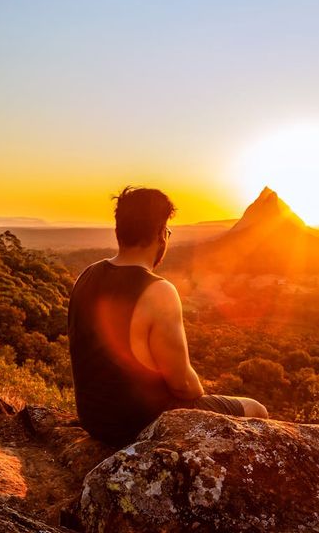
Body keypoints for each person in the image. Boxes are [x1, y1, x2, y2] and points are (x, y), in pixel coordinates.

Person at [67, 186, 268, 445]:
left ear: (120, 231)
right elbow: (183, 385)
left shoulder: (87, 275)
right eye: (167, 231)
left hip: (94, 421)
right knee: (255, 409)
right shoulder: (159, 290)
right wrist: (199, 392)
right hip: (137, 426)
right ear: (161, 234)